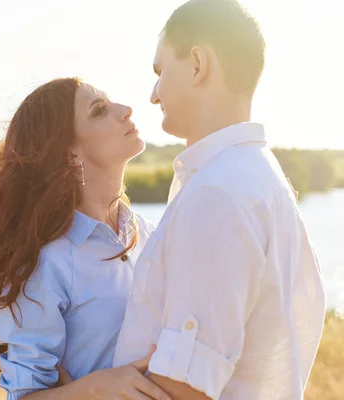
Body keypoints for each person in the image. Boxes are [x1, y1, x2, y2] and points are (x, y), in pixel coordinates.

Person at [112, 1, 326, 399]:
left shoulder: (217, 194)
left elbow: (184, 390)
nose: (153, 94)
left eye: (160, 71)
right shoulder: (260, 179)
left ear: (197, 64)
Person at [0, 77, 171, 400]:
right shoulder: (45, 262)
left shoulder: (148, 232)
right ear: (71, 153)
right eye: (100, 110)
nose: (126, 109)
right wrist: (96, 387)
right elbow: (23, 395)